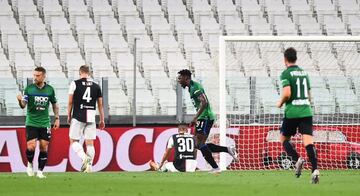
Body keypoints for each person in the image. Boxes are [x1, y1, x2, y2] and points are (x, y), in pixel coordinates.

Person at [177, 69, 238, 173]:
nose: (179, 80)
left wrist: (196, 117)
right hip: (203, 117)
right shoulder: (191, 87)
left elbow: (204, 102)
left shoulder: (195, 87)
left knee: (199, 143)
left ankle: (216, 167)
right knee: (198, 144)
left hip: (205, 117)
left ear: (186, 78)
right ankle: (227, 150)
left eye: (180, 78)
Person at [276, 47, 319, 184]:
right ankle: (315, 170)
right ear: (296, 58)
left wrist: (280, 103)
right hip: (306, 111)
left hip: (292, 112)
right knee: (308, 142)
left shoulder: (286, 74)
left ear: (285, 59)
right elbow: (310, 95)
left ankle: (297, 159)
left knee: (283, 138)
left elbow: (287, 93)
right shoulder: (304, 73)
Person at [16, 67, 60, 179]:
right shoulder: (29, 89)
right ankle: (30, 164)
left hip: (44, 123)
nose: (35, 77)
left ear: (43, 76)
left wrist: (57, 118)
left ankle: (40, 172)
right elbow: (23, 105)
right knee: (31, 147)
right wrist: (19, 100)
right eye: (34, 75)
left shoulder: (50, 89)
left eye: (38, 75)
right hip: (31, 122)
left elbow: (54, 104)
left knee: (43, 147)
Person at [67, 65, 105, 173]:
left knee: (73, 140)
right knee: (90, 143)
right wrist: (102, 120)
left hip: (78, 115)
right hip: (91, 116)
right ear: (89, 73)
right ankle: (89, 167)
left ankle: (84, 158)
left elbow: (70, 102)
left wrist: (69, 115)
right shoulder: (96, 86)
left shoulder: (75, 83)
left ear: (80, 73)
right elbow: (100, 105)